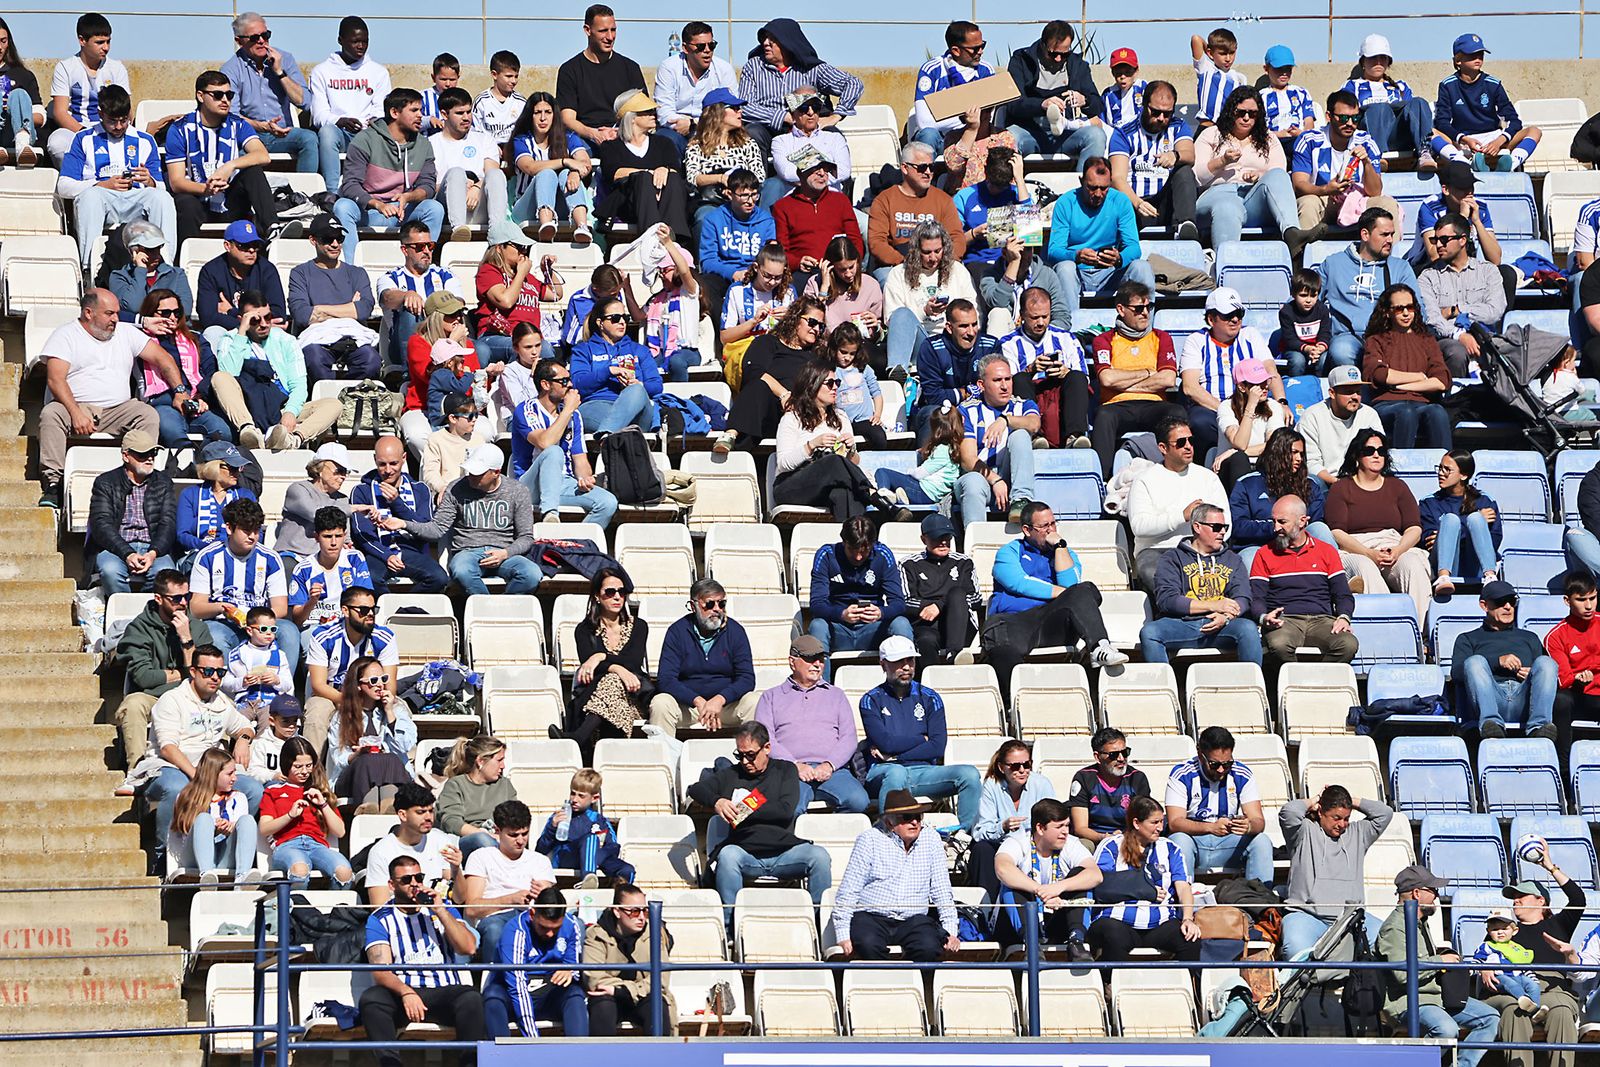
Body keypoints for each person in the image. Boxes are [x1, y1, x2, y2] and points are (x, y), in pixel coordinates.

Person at [35, 289, 178, 509]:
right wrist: (75, 412)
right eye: (109, 313)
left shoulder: (126, 333)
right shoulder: (65, 335)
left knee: (147, 414)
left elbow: (163, 358)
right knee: (51, 414)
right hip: (75, 405)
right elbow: (55, 380)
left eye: (117, 313)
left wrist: (180, 390)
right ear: (89, 313)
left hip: (118, 408)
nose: (115, 319)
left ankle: (143, 480)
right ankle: (53, 484)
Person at [984, 502, 1129, 699]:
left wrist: (1060, 547)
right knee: (1003, 653)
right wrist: (1067, 594)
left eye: (1053, 523)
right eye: (1044, 526)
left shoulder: (1064, 553)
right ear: (1027, 530)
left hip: (1049, 622)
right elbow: (1018, 583)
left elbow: (1073, 588)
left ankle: (1099, 647)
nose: (1051, 530)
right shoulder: (1009, 551)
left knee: (1085, 589)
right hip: (1012, 621)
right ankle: (1017, 706)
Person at [687, 719, 832, 916]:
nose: (745, 761)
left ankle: (818, 923)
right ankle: (731, 928)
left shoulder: (785, 770)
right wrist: (717, 801)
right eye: (740, 755)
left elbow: (785, 810)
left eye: (751, 755)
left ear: (767, 748)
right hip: (745, 851)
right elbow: (695, 789)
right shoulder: (731, 774)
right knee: (728, 856)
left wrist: (746, 806)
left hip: (785, 851)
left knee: (820, 856)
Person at [141, 644, 262, 864]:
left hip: (211, 769)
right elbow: (168, 748)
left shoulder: (222, 702)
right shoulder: (173, 699)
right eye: (208, 671)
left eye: (220, 672)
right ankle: (162, 856)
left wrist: (243, 740)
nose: (215, 677)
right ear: (193, 671)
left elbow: (245, 727)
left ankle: (226, 847)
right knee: (176, 789)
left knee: (253, 789)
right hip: (170, 766)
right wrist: (199, 776)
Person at [361, 855, 486, 1064]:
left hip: (444, 991)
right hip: (404, 994)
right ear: (392, 885)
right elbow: (380, 970)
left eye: (418, 878)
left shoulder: (442, 907)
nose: (414, 884)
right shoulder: (380, 918)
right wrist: (406, 992)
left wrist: (441, 912)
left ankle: (470, 1062)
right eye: (406, 880)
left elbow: (468, 947)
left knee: (472, 998)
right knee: (372, 1000)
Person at [1376, 863, 1502, 1067]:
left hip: (1435, 997)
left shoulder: (1420, 921)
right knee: (1447, 1030)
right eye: (1433, 889)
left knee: (1489, 1017)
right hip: (1409, 1001)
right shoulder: (1394, 928)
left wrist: (1445, 957)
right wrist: (1440, 961)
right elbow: (1403, 975)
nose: (1437, 894)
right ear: (1417, 893)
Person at [858, 635, 982, 830]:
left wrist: (894, 756)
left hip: (923, 772)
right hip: (882, 773)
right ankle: (888, 837)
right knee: (896, 772)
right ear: (883, 664)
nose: (907, 667)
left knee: (969, 774)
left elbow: (937, 746)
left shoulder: (931, 697)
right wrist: (920, 739)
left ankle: (964, 837)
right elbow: (885, 743)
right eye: (899, 661)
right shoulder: (870, 700)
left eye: (910, 660)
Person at [389, 443, 541, 596]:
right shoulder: (456, 488)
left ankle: (502, 608)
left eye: (478, 473)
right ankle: (487, 609)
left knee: (531, 574)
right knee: (462, 571)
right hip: (468, 552)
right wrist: (404, 524)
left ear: (496, 472)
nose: (471, 477)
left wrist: (505, 553)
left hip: (503, 552)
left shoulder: (518, 491)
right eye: (470, 471)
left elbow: (526, 537)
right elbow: (437, 529)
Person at [56, 84, 174, 272]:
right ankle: (89, 269)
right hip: (103, 201)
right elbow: (63, 186)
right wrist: (101, 185)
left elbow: (160, 187)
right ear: (100, 113)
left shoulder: (144, 140)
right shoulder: (83, 138)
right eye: (112, 121)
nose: (119, 127)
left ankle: (166, 267)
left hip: (136, 200)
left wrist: (149, 181)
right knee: (91, 197)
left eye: (124, 120)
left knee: (162, 198)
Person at [832, 789, 960, 961]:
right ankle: (886, 985)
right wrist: (842, 933)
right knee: (867, 944)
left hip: (914, 919)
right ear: (889, 822)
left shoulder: (931, 839)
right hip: (872, 917)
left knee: (929, 946)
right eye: (907, 817)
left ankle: (917, 986)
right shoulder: (869, 839)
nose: (915, 822)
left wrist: (950, 930)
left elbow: (942, 889)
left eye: (918, 817)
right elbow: (850, 888)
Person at [112, 569, 214, 777]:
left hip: (191, 697)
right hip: (153, 698)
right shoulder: (139, 628)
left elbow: (204, 677)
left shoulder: (197, 629)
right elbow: (143, 678)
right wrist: (183, 674)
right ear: (158, 598)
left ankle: (219, 773)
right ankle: (137, 773)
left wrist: (186, 640)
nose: (183, 603)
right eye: (176, 598)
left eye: (186, 597)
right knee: (133, 704)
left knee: (226, 705)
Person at [210, 291, 339, 453]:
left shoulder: (286, 340)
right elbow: (228, 374)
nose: (264, 324)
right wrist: (241, 333)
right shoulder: (231, 339)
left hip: (280, 407)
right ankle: (248, 431)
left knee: (333, 404)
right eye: (255, 320)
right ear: (241, 320)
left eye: (268, 317)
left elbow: (298, 385)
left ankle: (292, 439)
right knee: (219, 377)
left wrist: (291, 412)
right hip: (246, 407)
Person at [771, 359, 898, 522]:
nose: (836, 387)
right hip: (792, 485)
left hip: (827, 485)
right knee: (833, 462)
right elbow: (783, 464)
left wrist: (851, 449)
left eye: (837, 382)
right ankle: (872, 493)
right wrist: (812, 445)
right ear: (813, 385)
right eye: (830, 383)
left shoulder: (841, 417)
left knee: (843, 493)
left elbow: (854, 461)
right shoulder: (792, 419)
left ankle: (855, 542)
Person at [164, 69, 280, 246]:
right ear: (200, 96)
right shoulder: (180, 129)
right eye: (218, 95)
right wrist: (206, 189)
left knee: (253, 172)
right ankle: (183, 260)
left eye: (229, 95)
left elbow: (263, 155)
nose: (225, 100)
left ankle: (272, 229)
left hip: (229, 200)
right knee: (185, 203)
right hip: (197, 200)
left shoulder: (237, 123)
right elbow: (177, 182)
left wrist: (230, 166)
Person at [1326, 429, 1431, 621]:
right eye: (1369, 451)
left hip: (1393, 546)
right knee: (1365, 566)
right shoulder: (1341, 488)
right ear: (1357, 456)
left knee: (1413, 565)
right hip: (1355, 549)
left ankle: (1421, 633)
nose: (1376, 455)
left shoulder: (1397, 486)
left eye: (1381, 451)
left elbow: (1414, 528)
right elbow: (1337, 532)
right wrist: (1369, 553)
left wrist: (1399, 550)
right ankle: (1389, 626)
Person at [754, 635, 868, 813]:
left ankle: (830, 837)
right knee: (790, 808)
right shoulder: (771, 697)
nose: (817, 664)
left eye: (821, 659)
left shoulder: (836, 695)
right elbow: (765, 740)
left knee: (858, 801)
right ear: (792, 662)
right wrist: (794, 766)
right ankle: (801, 841)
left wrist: (829, 765)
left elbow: (849, 738)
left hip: (833, 771)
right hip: (789, 772)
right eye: (810, 659)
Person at [1278, 784, 1393, 959]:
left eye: (1346, 818)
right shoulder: (1303, 831)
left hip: (1350, 919)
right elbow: (1289, 812)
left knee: (1388, 941)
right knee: (1294, 948)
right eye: (1336, 818)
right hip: (1307, 916)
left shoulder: (1358, 833)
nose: (1342, 824)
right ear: (1320, 812)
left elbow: (1384, 813)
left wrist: (1349, 800)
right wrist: (1316, 799)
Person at [332, 87, 443, 263]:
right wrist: (377, 204)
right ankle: (349, 269)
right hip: (368, 210)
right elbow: (350, 185)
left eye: (421, 110)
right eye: (414, 110)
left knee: (434, 208)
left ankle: (423, 265)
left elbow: (428, 186)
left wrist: (408, 197)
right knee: (343, 206)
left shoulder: (424, 144)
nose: (420, 115)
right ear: (394, 112)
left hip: (402, 211)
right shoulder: (365, 140)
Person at [1140, 503, 1261, 665]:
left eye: (1224, 527)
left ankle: (1250, 686)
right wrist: (1214, 605)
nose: (1223, 532)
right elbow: (1168, 600)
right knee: (1150, 633)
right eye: (1217, 527)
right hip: (1182, 624)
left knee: (1248, 629)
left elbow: (1243, 598)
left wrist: (1225, 617)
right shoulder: (1172, 558)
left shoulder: (1232, 559)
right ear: (1197, 527)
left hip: (1222, 624)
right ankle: (1163, 687)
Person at [1251, 495, 1359, 675]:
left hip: (1322, 620)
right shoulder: (1264, 554)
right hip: (1285, 620)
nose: (1276, 527)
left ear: (1302, 521)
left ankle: (1317, 682)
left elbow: (1342, 594)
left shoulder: (1326, 551)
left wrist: (1343, 617)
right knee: (1278, 645)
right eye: (1274, 521)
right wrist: (1264, 617)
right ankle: (1297, 682)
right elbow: (1256, 597)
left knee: (1348, 644)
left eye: (1282, 522)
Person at [187, 497, 300, 669]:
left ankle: (282, 691)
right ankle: (226, 691)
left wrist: (257, 621)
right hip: (222, 623)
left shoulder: (270, 558)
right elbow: (196, 607)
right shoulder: (208, 557)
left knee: (289, 632)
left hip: (262, 623)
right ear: (229, 528)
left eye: (256, 531)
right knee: (214, 634)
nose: (253, 536)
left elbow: (281, 608)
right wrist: (223, 608)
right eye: (247, 531)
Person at [1087, 796, 1201, 962]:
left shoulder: (1170, 848)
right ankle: (1109, 983)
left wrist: (1188, 919)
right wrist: (1143, 890)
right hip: (1118, 921)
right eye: (1154, 822)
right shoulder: (1111, 846)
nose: (1160, 828)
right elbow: (1101, 885)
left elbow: (1183, 887)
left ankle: (1185, 986)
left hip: (1161, 923)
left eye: (1162, 822)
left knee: (1190, 937)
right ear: (1136, 823)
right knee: (1112, 933)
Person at [1046, 156, 1155, 327]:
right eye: (1092, 187)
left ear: (1110, 183)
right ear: (1081, 181)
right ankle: (1069, 333)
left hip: (1110, 272)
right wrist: (1077, 255)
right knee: (1065, 267)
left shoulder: (1121, 201)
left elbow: (1133, 247)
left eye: (1104, 188)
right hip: (1077, 273)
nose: (1098, 194)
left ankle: (1145, 331)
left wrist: (1118, 259)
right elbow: (1053, 250)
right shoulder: (1066, 203)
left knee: (1142, 267)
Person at [1127, 417, 1233, 593]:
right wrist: (1181, 517)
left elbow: (1226, 523)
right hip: (1158, 551)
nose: (1188, 446)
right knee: (1155, 573)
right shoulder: (1144, 479)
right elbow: (1139, 526)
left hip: (1202, 549)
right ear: (1163, 448)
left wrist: (1204, 540)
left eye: (1191, 440)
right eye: (1181, 442)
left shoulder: (1208, 478)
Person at [558, 568, 653, 761]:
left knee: (611, 679)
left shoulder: (639, 626)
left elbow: (633, 662)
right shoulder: (584, 630)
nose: (617, 597)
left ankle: (578, 737)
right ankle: (581, 739)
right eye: (610, 592)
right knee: (611, 679)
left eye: (622, 592)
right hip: (595, 693)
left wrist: (599, 657)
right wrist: (616, 668)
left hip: (632, 695)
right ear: (597, 596)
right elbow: (591, 668)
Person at [1088, 281, 1180, 478]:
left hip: (1153, 405)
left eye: (1149, 307)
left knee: (1177, 412)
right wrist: (1147, 372)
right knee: (1103, 416)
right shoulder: (1103, 340)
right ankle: (1102, 479)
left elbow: (1168, 379)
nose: (1145, 313)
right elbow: (1106, 379)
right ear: (1121, 309)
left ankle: (1179, 472)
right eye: (1138, 308)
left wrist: (1122, 384)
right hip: (1117, 406)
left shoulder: (1161, 338)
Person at [1178, 287, 1283, 457]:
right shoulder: (1196, 341)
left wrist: (1282, 402)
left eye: (1239, 313)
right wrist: (1226, 411)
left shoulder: (1250, 335)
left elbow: (1271, 371)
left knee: (1282, 420)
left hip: (1254, 405)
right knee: (1199, 422)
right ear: (1211, 319)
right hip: (1212, 407)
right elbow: (1190, 387)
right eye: (1228, 315)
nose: (1235, 319)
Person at [512, 357, 617, 527]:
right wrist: (568, 409)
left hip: (563, 482)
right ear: (546, 385)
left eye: (569, 379)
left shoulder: (574, 416)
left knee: (608, 502)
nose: (570, 385)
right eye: (563, 381)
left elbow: (580, 459)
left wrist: (584, 478)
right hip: (531, 485)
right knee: (554, 451)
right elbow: (545, 443)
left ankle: (574, 547)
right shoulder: (526, 409)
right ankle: (550, 516)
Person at [1194, 86, 1301, 250]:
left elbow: (1277, 174)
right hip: (1216, 196)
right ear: (1231, 111)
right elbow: (1196, 177)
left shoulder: (1268, 139)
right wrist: (1222, 161)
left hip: (1252, 199)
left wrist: (1259, 175)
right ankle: (1227, 265)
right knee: (1228, 206)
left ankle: (1292, 233)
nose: (1246, 118)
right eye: (1241, 112)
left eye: (1252, 114)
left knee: (1279, 175)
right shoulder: (1211, 134)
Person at [714, 295, 825, 453]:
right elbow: (753, 372)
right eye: (812, 322)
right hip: (767, 411)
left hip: (799, 417)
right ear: (795, 318)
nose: (816, 329)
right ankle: (730, 436)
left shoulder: (816, 355)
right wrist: (784, 395)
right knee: (758, 386)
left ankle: (737, 450)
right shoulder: (767, 343)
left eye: (821, 326)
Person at [1290, 90, 1400, 248]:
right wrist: (1326, 189)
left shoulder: (1366, 142)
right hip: (1321, 198)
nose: (1350, 123)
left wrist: (1367, 163)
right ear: (1329, 116)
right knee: (1308, 203)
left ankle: (1391, 263)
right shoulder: (1309, 140)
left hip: (1357, 200)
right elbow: (1299, 184)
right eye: (1343, 118)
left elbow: (1375, 191)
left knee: (1386, 204)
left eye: (1355, 118)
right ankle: (1303, 265)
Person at [1164, 725, 1272, 884]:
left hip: (1228, 842)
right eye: (1214, 764)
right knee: (1178, 840)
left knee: (1261, 841)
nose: (1221, 770)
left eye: (1227, 764)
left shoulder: (1242, 774)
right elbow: (1174, 823)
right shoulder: (1182, 774)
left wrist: (1248, 826)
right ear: (1200, 755)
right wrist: (1210, 827)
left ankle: (1261, 902)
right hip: (1194, 841)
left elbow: (1258, 821)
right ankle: (1182, 900)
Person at [1451, 581, 1558, 739]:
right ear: (1484, 605)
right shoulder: (1467, 638)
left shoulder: (1529, 637)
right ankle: (1491, 724)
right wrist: (1496, 662)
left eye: (1512, 601)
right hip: (1490, 699)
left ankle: (1539, 727)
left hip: (1524, 699)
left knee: (1546, 663)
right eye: (1500, 602)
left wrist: (1532, 674)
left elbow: (1544, 674)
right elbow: (1458, 674)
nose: (1508, 606)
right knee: (1474, 662)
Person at [649, 578, 758, 732]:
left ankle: (751, 754)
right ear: (693, 606)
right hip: (690, 708)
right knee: (660, 703)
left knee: (755, 701)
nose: (717, 609)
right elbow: (666, 680)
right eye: (709, 604)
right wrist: (698, 701)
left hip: (725, 707)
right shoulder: (677, 632)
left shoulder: (735, 631)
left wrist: (720, 699)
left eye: (721, 604)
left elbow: (747, 678)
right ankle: (664, 755)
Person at [739, 18, 862, 155]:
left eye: (772, 39)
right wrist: (784, 117)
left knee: (833, 136)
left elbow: (853, 84)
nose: (766, 43)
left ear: (787, 41)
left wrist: (836, 116)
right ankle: (758, 177)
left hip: (809, 128)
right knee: (752, 133)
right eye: (764, 39)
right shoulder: (753, 67)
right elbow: (745, 107)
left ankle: (838, 176)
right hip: (770, 129)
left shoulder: (811, 68)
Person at [1320, 206, 1420, 370]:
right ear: (1365, 234)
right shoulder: (1333, 264)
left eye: (1392, 235)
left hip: (1389, 335)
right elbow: (1306, 298)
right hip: (1347, 337)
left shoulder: (1400, 267)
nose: (1390, 240)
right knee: (1342, 351)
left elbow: (1418, 307)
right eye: (1384, 235)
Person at [220, 12, 318, 182]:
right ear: (239, 41)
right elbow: (232, 116)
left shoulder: (284, 59)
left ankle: (305, 195)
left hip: (283, 133)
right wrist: (262, 126)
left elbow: (305, 102)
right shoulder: (230, 69)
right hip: (249, 136)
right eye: (254, 37)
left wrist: (280, 73)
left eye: (265, 35)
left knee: (309, 139)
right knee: (232, 151)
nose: (261, 41)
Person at [995, 797, 1102, 951]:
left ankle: (1076, 941)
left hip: (1055, 918)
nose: (1065, 832)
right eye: (1059, 826)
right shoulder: (1017, 841)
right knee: (1012, 883)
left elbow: (1095, 875)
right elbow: (1002, 869)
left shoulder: (1070, 843)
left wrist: (1058, 887)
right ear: (1040, 828)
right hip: (1016, 924)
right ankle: (1031, 942)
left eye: (1067, 825)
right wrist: (1041, 891)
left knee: (1081, 875)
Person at [806, 516, 915, 663]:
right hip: (838, 628)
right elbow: (817, 604)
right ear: (843, 542)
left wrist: (881, 613)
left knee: (901, 624)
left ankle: (902, 683)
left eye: (865, 551)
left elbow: (898, 603)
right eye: (852, 550)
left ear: (872, 545)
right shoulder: (827, 555)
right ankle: (820, 685)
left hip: (872, 629)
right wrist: (842, 614)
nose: (858, 557)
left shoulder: (882, 555)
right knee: (817, 625)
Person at [1430, 33, 1543, 172]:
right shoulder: (1447, 85)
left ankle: (1509, 165)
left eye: (1480, 54)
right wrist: (1464, 139)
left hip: (1493, 137)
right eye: (1472, 55)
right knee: (1430, 132)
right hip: (1463, 140)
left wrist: (1500, 140)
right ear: (1458, 60)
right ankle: (1464, 164)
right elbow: (1442, 122)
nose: (1478, 58)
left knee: (1534, 131)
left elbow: (1514, 120)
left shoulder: (1493, 84)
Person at [348, 437, 447, 594]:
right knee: (371, 578)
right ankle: (388, 611)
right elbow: (362, 533)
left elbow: (427, 529)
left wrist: (397, 504)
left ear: (404, 458)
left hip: (411, 550)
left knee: (439, 578)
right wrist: (386, 555)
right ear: (375, 460)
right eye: (382, 464)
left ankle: (405, 609)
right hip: (378, 551)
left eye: (393, 463)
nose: (388, 470)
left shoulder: (420, 489)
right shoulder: (361, 491)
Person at [287, 215, 378, 383]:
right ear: (313, 240)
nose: (335, 244)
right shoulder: (300, 273)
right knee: (314, 360)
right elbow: (301, 315)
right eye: (328, 239)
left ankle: (350, 399)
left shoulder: (357, 273)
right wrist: (350, 308)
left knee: (371, 361)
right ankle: (326, 403)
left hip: (353, 337)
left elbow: (364, 310)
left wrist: (319, 309)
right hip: (316, 340)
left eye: (339, 238)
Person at [1417, 210, 1508, 377]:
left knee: (1508, 348)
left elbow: (1495, 311)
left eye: (1444, 240)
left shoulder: (1488, 271)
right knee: (1456, 352)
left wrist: (1456, 310)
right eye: (1435, 240)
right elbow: (1431, 318)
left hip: (1484, 335)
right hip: (1446, 339)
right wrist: (1459, 335)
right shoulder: (1427, 277)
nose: (1438, 245)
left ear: (1462, 240)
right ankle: (1455, 401)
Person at [1361, 283, 1452, 449]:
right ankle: (1401, 469)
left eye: (1410, 307)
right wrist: (1418, 376)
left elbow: (1441, 380)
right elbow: (1379, 375)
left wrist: (1398, 384)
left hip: (1422, 404)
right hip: (1386, 405)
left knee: (1438, 412)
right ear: (1387, 312)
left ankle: (1446, 467)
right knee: (1406, 412)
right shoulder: (1376, 340)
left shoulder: (1427, 340)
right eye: (1399, 308)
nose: (1405, 313)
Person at [462, 800, 556, 960]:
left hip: (531, 917)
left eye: (524, 834)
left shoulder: (540, 861)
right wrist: (510, 899)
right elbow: (471, 909)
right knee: (496, 930)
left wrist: (543, 895)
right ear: (497, 831)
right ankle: (495, 981)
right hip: (495, 919)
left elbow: (549, 905)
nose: (520, 840)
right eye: (513, 835)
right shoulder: (481, 857)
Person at [86, 429, 176, 595]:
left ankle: (146, 614)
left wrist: (152, 553)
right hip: (116, 548)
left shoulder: (163, 483)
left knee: (166, 574)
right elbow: (101, 524)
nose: (150, 458)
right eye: (143, 454)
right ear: (126, 456)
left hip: (153, 548)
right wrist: (127, 553)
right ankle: (123, 614)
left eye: (153, 452)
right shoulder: (105, 482)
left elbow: (168, 523)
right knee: (111, 571)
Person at [1229, 427, 1334, 568]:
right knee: (1249, 558)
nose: (1299, 459)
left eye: (1301, 454)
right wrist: (1277, 527)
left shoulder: (1309, 484)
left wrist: (1295, 529)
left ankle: (1337, 575)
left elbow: (1316, 521)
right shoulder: (1247, 483)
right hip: (1259, 546)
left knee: (1320, 528)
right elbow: (1238, 526)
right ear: (1278, 452)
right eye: (1294, 453)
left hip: (1301, 546)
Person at [1107, 80, 1199, 240]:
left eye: (1167, 113)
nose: (1161, 118)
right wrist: (1138, 203)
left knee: (1185, 170)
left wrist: (1175, 156)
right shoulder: (1123, 133)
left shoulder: (1178, 126)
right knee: (1122, 203)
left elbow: (1190, 155)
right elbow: (1117, 177)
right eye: (1155, 112)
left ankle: (1186, 227)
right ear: (1144, 104)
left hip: (1166, 202)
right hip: (1137, 203)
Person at [956, 354, 1040, 529]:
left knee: (1020, 435)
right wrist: (995, 480)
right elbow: (967, 459)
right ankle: (975, 542)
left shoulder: (1023, 405)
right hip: (980, 477)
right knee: (972, 482)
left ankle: (1021, 502)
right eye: (997, 380)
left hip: (1011, 478)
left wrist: (1005, 420)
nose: (1004, 386)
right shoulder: (966, 410)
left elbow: (1034, 424)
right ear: (981, 385)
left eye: (1008, 379)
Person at [137, 288, 229, 447]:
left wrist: (202, 397)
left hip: (195, 400)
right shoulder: (138, 339)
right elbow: (117, 319)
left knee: (223, 432)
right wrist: (143, 322)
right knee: (174, 434)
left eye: (177, 312)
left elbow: (210, 371)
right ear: (151, 313)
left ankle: (206, 465)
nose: (172, 317)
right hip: (162, 401)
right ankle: (183, 468)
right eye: (165, 313)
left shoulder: (195, 339)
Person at [883, 220, 977, 375]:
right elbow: (892, 320)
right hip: (918, 341)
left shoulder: (958, 271)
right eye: (926, 252)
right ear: (916, 250)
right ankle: (897, 374)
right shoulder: (898, 274)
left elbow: (973, 311)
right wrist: (924, 311)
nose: (933, 258)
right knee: (901, 314)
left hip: (950, 340)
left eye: (938, 251)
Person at [306, 15, 388, 191]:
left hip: (368, 134)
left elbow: (382, 111)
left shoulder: (378, 72)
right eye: (355, 41)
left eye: (365, 41)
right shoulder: (322, 71)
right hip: (339, 133)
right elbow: (318, 115)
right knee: (327, 132)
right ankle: (332, 192)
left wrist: (368, 123)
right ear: (340, 40)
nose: (361, 46)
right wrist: (340, 121)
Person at [1003, 20, 1104, 164]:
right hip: (1028, 132)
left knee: (1096, 135)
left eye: (1065, 54)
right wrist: (1042, 104)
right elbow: (1013, 105)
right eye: (1053, 53)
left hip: (1065, 133)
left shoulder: (1077, 65)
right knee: (1009, 138)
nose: (1058, 59)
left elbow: (1098, 104)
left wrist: (1084, 100)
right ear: (1043, 44)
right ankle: (1011, 186)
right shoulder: (1021, 60)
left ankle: (1087, 185)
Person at [594, 90, 690, 240]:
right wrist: (650, 173)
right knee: (643, 178)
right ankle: (651, 241)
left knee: (672, 178)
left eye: (652, 111)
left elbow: (675, 169)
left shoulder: (663, 143)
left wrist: (665, 170)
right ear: (631, 117)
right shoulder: (611, 147)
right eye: (646, 112)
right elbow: (613, 173)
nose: (654, 114)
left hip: (664, 200)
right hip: (629, 205)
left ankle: (675, 239)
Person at [582, 883, 676, 1035]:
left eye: (645, 911)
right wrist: (622, 990)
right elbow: (594, 977)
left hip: (642, 996)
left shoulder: (655, 934)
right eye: (634, 911)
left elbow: (661, 979)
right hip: (610, 999)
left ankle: (659, 1057)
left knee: (658, 1006)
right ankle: (602, 1058)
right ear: (617, 911)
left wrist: (622, 990)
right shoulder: (596, 934)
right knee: (602, 1005)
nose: (641, 917)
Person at [260, 735, 351, 889]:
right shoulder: (273, 791)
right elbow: (264, 828)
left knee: (344, 872)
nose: (304, 771)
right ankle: (297, 911)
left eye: (308, 765)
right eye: (298, 766)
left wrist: (323, 804)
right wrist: (290, 815)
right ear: (286, 765)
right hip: (287, 845)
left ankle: (336, 911)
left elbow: (340, 831)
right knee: (299, 869)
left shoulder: (319, 791)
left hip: (317, 845)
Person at [867, 144, 967, 282]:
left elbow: (957, 238)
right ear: (904, 168)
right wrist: (905, 262)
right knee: (887, 279)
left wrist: (941, 262)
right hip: (897, 265)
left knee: (961, 277)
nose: (928, 172)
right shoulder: (884, 200)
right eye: (921, 167)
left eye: (931, 167)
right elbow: (877, 243)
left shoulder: (943, 200)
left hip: (936, 262)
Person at [971, 739, 1057, 899]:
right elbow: (979, 832)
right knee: (981, 849)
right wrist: (1002, 827)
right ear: (1002, 767)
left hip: (1033, 846)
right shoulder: (992, 785)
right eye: (1016, 766)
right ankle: (984, 909)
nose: (1023, 770)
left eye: (1027, 764)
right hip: (1000, 845)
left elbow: (1054, 821)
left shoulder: (1041, 784)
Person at [556, 3, 647, 151]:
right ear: (587, 30)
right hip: (585, 139)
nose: (610, 37)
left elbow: (643, 113)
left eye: (613, 30)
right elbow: (567, 119)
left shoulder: (630, 68)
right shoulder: (569, 70)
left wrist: (619, 132)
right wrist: (593, 134)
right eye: (603, 31)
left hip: (624, 136)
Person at [509, 91, 596, 244]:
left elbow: (585, 162)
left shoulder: (568, 137)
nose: (543, 118)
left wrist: (575, 172)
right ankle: (546, 225)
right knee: (546, 173)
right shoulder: (521, 140)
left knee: (566, 174)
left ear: (554, 115)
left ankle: (582, 226)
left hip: (561, 206)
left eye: (548, 112)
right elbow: (530, 167)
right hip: (526, 208)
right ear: (530, 115)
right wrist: (565, 161)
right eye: (537, 113)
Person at [570, 295, 663, 434]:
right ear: (600, 322)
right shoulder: (583, 350)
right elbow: (578, 384)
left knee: (637, 390)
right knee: (587, 414)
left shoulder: (639, 350)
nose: (622, 322)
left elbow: (657, 385)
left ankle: (607, 436)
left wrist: (639, 384)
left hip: (637, 411)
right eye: (615, 318)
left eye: (624, 318)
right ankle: (619, 437)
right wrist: (608, 371)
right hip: (597, 406)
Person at [896, 512, 980, 664]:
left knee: (957, 593)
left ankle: (954, 654)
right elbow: (905, 601)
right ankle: (931, 682)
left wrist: (940, 605)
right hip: (926, 624)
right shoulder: (909, 564)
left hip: (961, 624)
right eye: (937, 538)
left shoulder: (963, 562)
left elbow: (976, 599)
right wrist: (931, 607)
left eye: (947, 537)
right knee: (926, 641)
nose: (943, 542)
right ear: (923, 539)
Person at [363, 783, 465, 905]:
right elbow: (380, 907)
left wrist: (456, 869)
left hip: (440, 916)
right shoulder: (381, 852)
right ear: (402, 815)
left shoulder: (441, 840)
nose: (429, 817)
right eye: (420, 812)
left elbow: (460, 899)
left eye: (431, 811)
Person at [46, 12, 128, 164]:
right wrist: (85, 134)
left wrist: (108, 131)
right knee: (57, 143)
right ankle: (72, 179)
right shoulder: (65, 67)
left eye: (108, 41)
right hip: (76, 130)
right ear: (82, 40)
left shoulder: (117, 68)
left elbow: (126, 109)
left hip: (111, 129)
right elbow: (60, 112)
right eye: (99, 42)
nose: (106, 47)